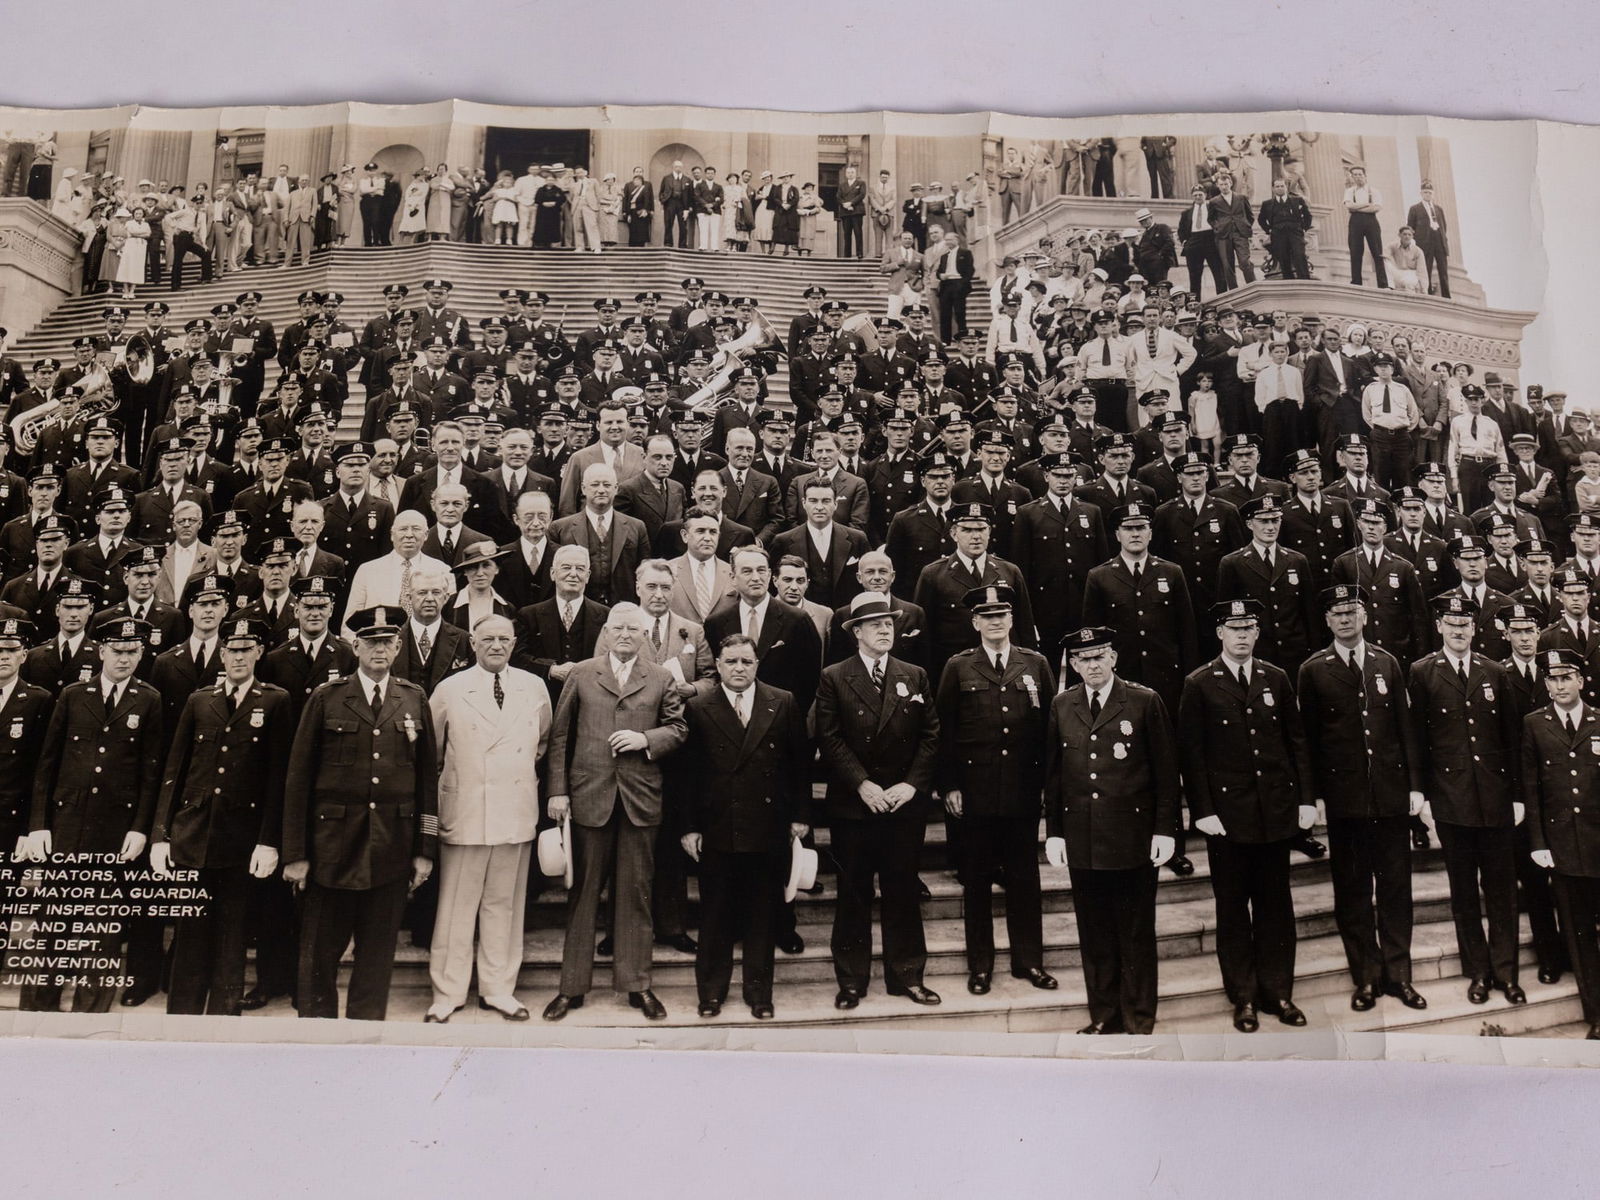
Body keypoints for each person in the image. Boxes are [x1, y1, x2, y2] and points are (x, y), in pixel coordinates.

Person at [282, 605, 438, 1020]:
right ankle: (319, 1036)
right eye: (371, 642)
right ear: (355, 647)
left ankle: (365, 1037)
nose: (379, 649)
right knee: (319, 956)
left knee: (376, 958)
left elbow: (426, 780)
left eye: (387, 641)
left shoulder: (413, 698)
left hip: (391, 849)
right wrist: (296, 854)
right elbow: (298, 779)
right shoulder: (327, 697)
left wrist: (424, 850)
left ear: (399, 646)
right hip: (331, 850)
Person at [541, 603, 688, 1023]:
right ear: (605, 633)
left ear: (644, 636)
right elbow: (560, 736)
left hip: (639, 799)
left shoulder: (660, 677)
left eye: (633, 629)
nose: (625, 635)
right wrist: (558, 791)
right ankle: (571, 988)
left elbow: (679, 728)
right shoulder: (582, 673)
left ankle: (637, 985)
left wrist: (646, 739)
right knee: (583, 893)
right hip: (590, 796)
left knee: (636, 893)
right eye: (618, 628)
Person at [1180, 600, 1316, 1031]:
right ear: (1220, 633)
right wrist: (1203, 810)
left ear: (1257, 633)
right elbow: (1192, 754)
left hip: (1274, 813)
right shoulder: (1200, 683)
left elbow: (1297, 742)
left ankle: (1278, 992)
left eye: (1248, 629)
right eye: (1233, 629)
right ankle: (1243, 997)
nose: (1241, 636)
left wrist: (1306, 800)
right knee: (1234, 910)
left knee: (1276, 906)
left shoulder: (1275, 677)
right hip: (1228, 819)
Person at [20, 617, 165, 1013]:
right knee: (53, 923)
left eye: (132, 651)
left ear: (141, 653)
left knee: (101, 927)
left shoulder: (148, 699)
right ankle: (39, 1008)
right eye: (117, 651)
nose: (124, 658)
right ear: (101, 651)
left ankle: (89, 1013)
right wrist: (38, 825)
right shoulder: (72, 695)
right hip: (65, 827)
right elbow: (46, 766)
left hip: (114, 832)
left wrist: (141, 829)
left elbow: (151, 773)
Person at [149, 617, 290, 1016]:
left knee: (231, 934)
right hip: (193, 835)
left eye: (246, 650)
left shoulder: (275, 701)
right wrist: (161, 834)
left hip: (240, 840)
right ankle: (182, 1019)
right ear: (222, 654)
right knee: (190, 933)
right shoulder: (199, 700)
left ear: (258, 653)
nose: (239, 657)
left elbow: (278, 778)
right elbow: (174, 771)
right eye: (232, 650)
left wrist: (268, 840)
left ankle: (223, 1018)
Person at [1044, 625, 1180, 1035]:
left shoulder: (1143, 700)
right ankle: (1104, 1015)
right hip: (1083, 837)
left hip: (1132, 837)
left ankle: (1138, 1019)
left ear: (1113, 658)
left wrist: (1165, 830)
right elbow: (1055, 776)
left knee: (1135, 932)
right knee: (1095, 932)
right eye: (1084, 659)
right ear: (1073, 664)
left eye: (1099, 656)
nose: (1093, 665)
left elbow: (1166, 773)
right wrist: (1055, 832)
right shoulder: (1062, 705)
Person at [1297, 584, 1426, 1013]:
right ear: (1327, 620)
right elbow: (1307, 741)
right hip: (1345, 800)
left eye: (1352, 611)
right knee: (1352, 890)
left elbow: (1405, 729)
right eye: (1337, 613)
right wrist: (1313, 796)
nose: (1345, 619)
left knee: (1395, 888)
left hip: (1389, 796)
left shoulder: (1386, 663)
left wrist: (1414, 786)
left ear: (1365, 617)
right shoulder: (1313, 670)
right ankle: (1366, 977)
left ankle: (1399, 975)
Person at [814, 592, 942, 1010]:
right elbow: (830, 738)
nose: (886, 630)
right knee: (853, 892)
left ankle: (908, 976)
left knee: (901, 889)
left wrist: (911, 785)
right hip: (855, 806)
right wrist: (862, 784)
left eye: (889, 624)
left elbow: (931, 736)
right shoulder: (834, 676)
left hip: (903, 805)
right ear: (856, 632)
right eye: (875, 625)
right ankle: (852, 981)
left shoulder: (915, 674)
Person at [424, 613, 551, 1023]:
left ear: (514, 644)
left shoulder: (533, 686)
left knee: (504, 907)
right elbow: (432, 751)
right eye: (488, 639)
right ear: (473, 644)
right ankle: (448, 993)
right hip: (466, 810)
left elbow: (541, 743)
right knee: (456, 909)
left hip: (513, 810)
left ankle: (499, 990)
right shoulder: (450, 689)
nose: (497, 646)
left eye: (504, 639)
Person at [676, 634, 811, 1019]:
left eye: (746, 662)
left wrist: (800, 816)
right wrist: (689, 827)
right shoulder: (698, 706)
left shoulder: (782, 701)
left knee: (762, 914)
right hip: (717, 826)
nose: (739, 668)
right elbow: (686, 775)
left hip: (768, 826)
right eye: (731, 661)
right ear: (718, 665)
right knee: (715, 914)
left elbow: (799, 765)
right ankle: (711, 993)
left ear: (757, 665)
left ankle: (759, 994)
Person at [935, 584, 1056, 995]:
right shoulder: (959, 667)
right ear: (975, 622)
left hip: (1023, 790)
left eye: (1001, 614)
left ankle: (1029, 962)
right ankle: (980, 966)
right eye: (987, 616)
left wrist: (1048, 785)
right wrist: (949, 785)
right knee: (977, 882)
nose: (995, 622)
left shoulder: (1035, 663)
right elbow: (944, 731)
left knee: (1025, 880)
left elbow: (1051, 731)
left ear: (1012, 618)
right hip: (976, 793)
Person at [1408, 595, 1526, 1007]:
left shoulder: (1494, 672)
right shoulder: (1422, 672)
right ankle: (1478, 972)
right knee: (1464, 892)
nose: (1459, 630)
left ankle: (1506, 973)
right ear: (1439, 626)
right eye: (1451, 623)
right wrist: (1424, 796)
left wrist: (1516, 797)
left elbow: (1511, 740)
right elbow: (1417, 741)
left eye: (1465, 624)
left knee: (1502, 892)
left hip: (1495, 800)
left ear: (1475, 629)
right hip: (1451, 800)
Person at [1523, 649, 1600, 1039]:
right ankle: (1597, 1015)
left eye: (1566, 677)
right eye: (1552, 679)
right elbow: (1531, 789)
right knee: (1579, 934)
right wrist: (1539, 842)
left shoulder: (1599, 720)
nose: (1560, 685)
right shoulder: (1535, 724)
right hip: (1563, 847)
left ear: (1581, 680)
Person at [1257, 177, 1312, 280]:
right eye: (1277, 186)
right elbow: (1261, 219)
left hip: (1295, 232)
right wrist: (1268, 230)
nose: (1280, 188)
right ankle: (1288, 281)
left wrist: (1304, 228)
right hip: (1278, 233)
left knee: (1299, 254)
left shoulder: (1297, 200)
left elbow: (1307, 215)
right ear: (1273, 188)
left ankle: (1305, 280)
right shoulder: (1267, 204)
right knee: (1283, 257)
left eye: (1282, 186)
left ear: (1286, 187)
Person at [1344, 166, 1389, 289]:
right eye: (1355, 175)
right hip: (1355, 222)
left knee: (1377, 252)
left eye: (1360, 174)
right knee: (1355, 251)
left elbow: (1376, 208)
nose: (1358, 177)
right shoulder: (1350, 191)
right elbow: (1349, 206)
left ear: (1365, 176)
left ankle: (1383, 283)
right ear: (1352, 177)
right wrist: (1366, 204)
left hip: (1371, 221)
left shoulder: (1374, 191)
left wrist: (1357, 207)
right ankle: (1356, 282)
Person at [1406, 181, 1452, 298]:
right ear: (1421, 193)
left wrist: (1443, 240)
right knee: (1426, 268)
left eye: (1430, 193)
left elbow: (1444, 226)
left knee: (1443, 269)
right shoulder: (1415, 209)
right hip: (1425, 242)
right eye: (1425, 192)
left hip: (1439, 241)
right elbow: (1410, 227)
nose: (1428, 195)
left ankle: (1446, 295)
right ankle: (1428, 293)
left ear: (1433, 194)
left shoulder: (1438, 209)